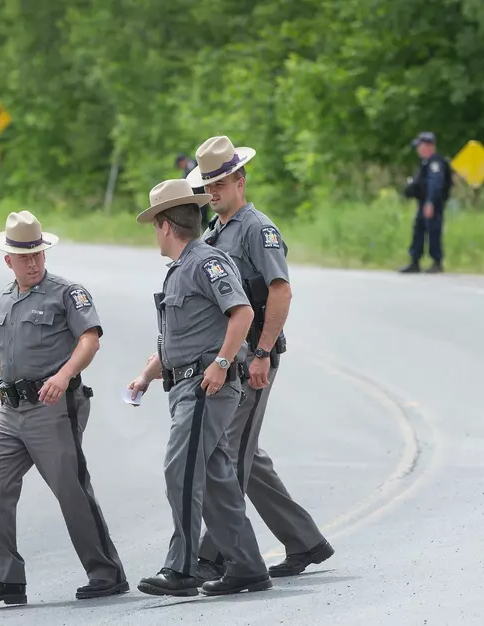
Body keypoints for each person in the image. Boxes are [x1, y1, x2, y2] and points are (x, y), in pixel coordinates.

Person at [186, 135, 334, 581]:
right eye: (207, 186)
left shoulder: (257, 228)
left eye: (220, 185)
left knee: (226, 453)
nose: (212, 194)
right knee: (246, 454)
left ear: (240, 180)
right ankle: (305, 541)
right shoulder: (215, 230)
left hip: (253, 357)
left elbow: (279, 290)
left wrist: (264, 353)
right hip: (229, 357)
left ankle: (215, 554)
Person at [0, 210, 129, 605]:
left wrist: (64, 374)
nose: (34, 262)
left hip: (53, 405)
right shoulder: (4, 299)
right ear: (9, 260)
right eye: (24, 257)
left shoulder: (66, 292)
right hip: (10, 409)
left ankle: (106, 572)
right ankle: (6, 580)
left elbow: (90, 339)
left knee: (70, 490)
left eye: (38, 254)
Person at [128, 178, 272, 598]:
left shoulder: (207, 262)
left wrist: (222, 364)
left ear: (166, 225)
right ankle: (247, 567)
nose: (155, 232)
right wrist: (146, 374)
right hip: (186, 386)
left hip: (205, 389)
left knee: (181, 471)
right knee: (215, 478)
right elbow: (187, 338)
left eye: (156, 223)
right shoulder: (182, 268)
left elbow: (241, 313)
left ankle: (183, 568)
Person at [399, 131, 452, 274]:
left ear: (428, 146)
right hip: (423, 203)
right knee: (419, 230)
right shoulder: (425, 163)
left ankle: (437, 262)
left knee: (433, 231)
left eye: (420, 146)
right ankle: (414, 261)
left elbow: (435, 184)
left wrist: (430, 202)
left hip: (433, 203)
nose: (418, 149)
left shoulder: (435, 163)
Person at [176, 152, 209, 226]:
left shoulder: (197, 163)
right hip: (196, 195)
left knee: (204, 215)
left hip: (203, 191)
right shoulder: (185, 172)